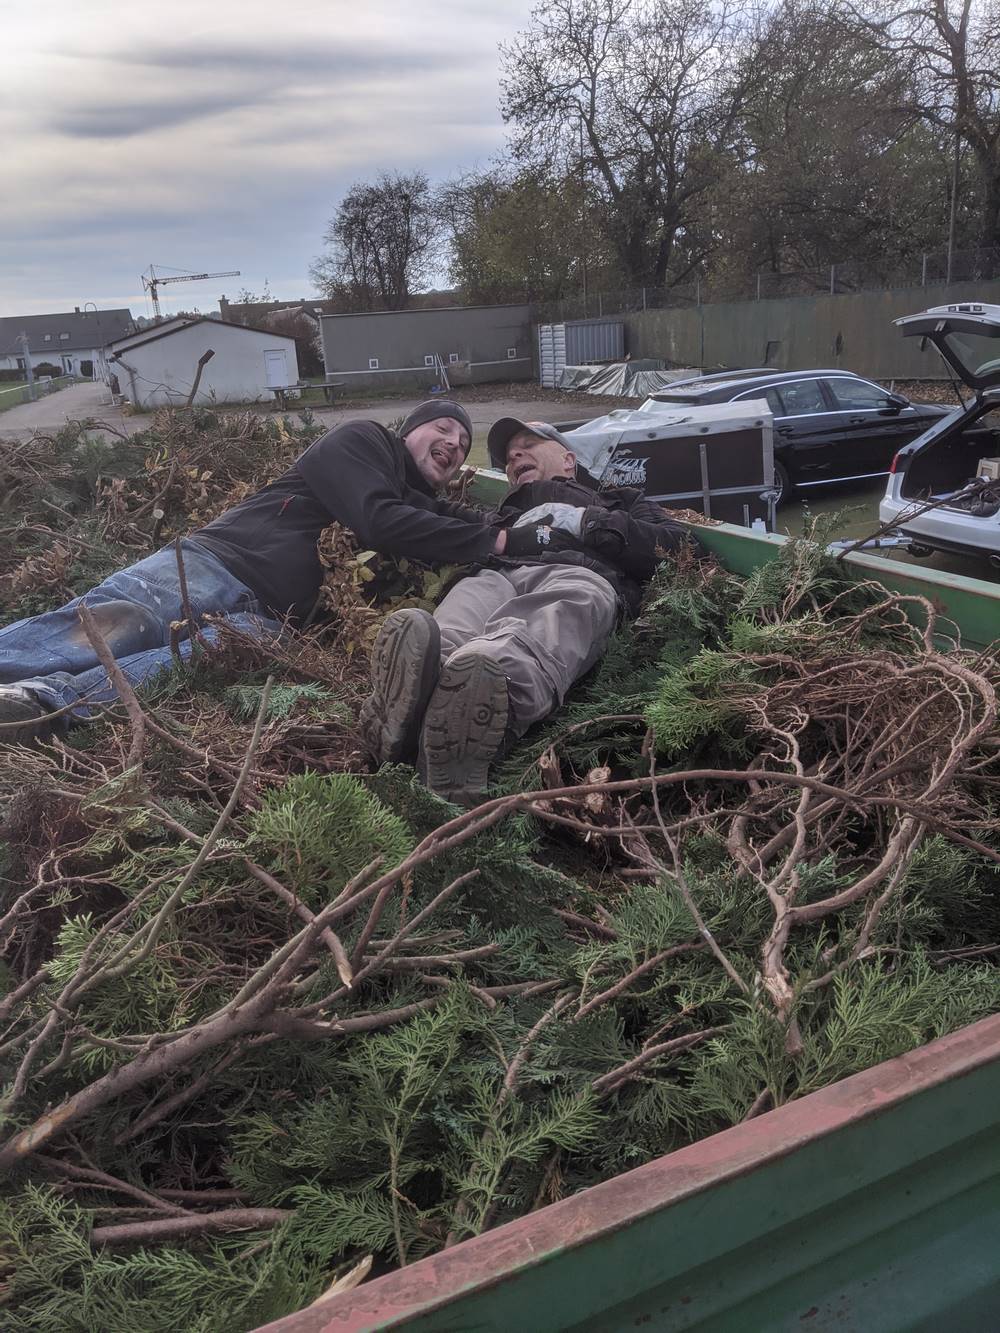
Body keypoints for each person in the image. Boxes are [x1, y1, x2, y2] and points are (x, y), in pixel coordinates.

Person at [0, 400, 506, 742]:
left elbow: (455, 521)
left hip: (267, 620)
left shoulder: (418, 506)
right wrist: (494, 539)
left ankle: (43, 704)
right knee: (126, 619)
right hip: (213, 562)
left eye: (464, 443)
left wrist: (524, 527)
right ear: (409, 431)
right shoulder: (364, 441)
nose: (455, 443)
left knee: (177, 664)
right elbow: (380, 519)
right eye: (443, 428)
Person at [361, 417, 699, 806]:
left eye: (528, 444)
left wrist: (586, 521)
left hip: (580, 572)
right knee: (451, 624)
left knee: (544, 622)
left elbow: (680, 546)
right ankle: (415, 700)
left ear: (568, 460)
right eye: (508, 456)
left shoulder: (620, 501)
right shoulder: (500, 513)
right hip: (496, 573)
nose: (514, 456)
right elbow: (432, 515)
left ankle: (486, 706)